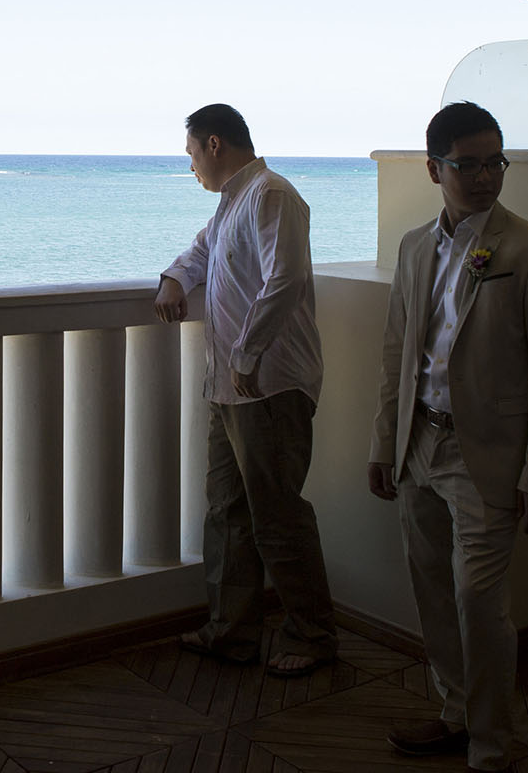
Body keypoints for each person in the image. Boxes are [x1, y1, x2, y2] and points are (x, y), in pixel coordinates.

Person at [369, 102, 528, 773]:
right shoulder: (413, 247)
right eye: (468, 164)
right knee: (430, 587)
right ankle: (454, 711)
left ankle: (490, 747)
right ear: (435, 168)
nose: (486, 177)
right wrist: (383, 444)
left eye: (496, 162)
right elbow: (400, 353)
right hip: (417, 444)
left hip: (487, 457)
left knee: (478, 603)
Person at [154, 103, 338, 676]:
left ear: (213, 144)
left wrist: (248, 353)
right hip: (230, 388)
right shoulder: (233, 203)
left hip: (268, 386)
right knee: (228, 511)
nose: (190, 167)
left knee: (277, 515)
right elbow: (204, 252)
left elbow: (286, 280)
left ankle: (312, 635)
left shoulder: (271, 195)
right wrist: (173, 279)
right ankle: (231, 631)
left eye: (189, 154)